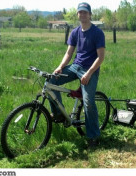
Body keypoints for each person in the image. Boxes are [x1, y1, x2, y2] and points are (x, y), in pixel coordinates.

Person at [48, 2, 105, 147]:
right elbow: (69, 53)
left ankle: (93, 136)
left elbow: (100, 57)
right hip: (75, 67)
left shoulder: (98, 33)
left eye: (85, 12)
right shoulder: (75, 32)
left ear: (90, 14)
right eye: (80, 12)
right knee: (50, 82)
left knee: (88, 102)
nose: (82, 15)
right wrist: (60, 67)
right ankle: (59, 114)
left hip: (90, 70)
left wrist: (89, 74)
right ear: (77, 14)